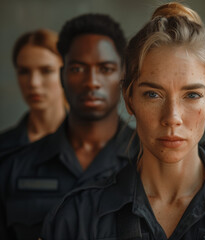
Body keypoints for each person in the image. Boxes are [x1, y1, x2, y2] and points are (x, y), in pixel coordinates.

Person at [41, 3, 205, 240]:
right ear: (129, 99)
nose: (172, 118)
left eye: (192, 95)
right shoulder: (76, 217)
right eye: (153, 94)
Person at [0, 14, 137, 240]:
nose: (92, 81)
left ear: (123, 75)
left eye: (105, 68)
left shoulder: (149, 161)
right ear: (62, 75)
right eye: (77, 68)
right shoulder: (13, 167)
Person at [0, 29, 66, 153]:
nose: (33, 83)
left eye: (46, 71)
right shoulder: (4, 148)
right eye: (24, 72)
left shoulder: (93, 144)